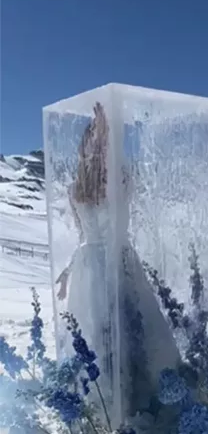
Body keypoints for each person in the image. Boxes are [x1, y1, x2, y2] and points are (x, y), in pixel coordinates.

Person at [55, 103, 181, 420]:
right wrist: (69, 272)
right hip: (95, 267)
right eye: (93, 143)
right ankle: (102, 408)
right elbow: (84, 235)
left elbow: (94, 228)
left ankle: (140, 398)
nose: (96, 150)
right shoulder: (80, 189)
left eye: (100, 143)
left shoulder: (119, 180)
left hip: (115, 262)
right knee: (96, 332)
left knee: (132, 327)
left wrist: (105, 130)